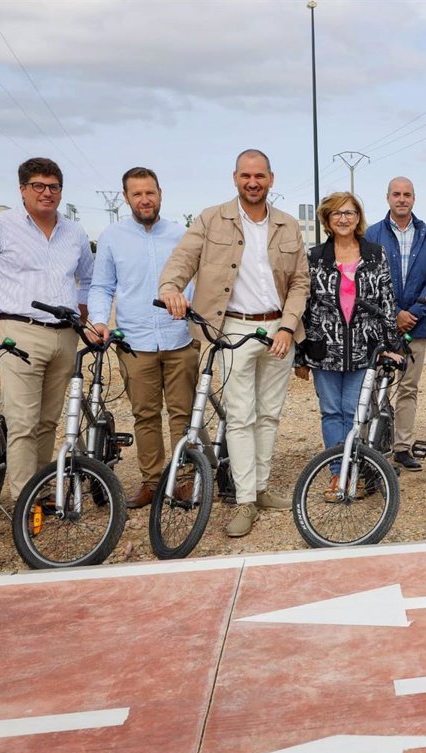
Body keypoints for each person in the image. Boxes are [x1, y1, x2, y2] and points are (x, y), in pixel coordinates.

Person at [158, 149, 310, 538]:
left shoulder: (289, 225)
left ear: (271, 179)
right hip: (232, 332)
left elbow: (300, 283)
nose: (253, 182)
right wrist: (170, 286)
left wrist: (288, 327)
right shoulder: (211, 219)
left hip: (278, 330)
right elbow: (182, 260)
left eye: (260, 176)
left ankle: (260, 488)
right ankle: (244, 499)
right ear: (235, 178)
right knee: (240, 417)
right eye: (246, 176)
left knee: (269, 415)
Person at [0, 156, 94, 501]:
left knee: (49, 421)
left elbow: (88, 280)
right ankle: (22, 499)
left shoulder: (74, 231)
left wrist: (81, 316)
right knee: (22, 422)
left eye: (53, 187)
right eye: (38, 186)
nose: (46, 193)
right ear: (22, 189)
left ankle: (41, 488)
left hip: (64, 335)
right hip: (20, 332)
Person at [88, 167, 197, 509]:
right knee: (145, 414)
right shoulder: (111, 237)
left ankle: (183, 480)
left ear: (160, 193)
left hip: (179, 338)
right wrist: (98, 320)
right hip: (135, 341)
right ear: (126, 198)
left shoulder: (182, 234)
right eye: (137, 194)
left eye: (150, 192)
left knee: (183, 414)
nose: (144, 199)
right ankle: (151, 482)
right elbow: (102, 286)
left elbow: (196, 280)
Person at [298, 192, 399, 493]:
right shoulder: (315, 258)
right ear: (327, 220)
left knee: (354, 411)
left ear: (358, 218)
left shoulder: (375, 254)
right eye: (336, 214)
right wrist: (300, 357)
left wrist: (391, 344)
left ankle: (354, 468)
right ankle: (335, 473)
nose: (343, 219)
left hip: (364, 349)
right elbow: (305, 306)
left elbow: (387, 302)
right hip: (324, 349)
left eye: (350, 213)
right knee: (332, 412)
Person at [364, 177, 426, 472]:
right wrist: (394, 313)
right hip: (379, 325)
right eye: (396, 194)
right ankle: (370, 447)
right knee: (372, 386)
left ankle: (402, 448)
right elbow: (368, 281)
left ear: (414, 198)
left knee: (409, 387)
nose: (401, 199)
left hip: (417, 326)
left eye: (406, 194)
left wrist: (413, 313)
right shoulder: (372, 234)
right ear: (387, 198)